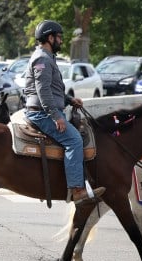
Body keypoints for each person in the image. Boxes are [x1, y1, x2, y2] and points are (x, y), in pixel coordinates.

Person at [23, 20, 105, 205]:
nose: (61, 41)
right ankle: (77, 190)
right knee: (74, 139)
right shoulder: (42, 59)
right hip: (41, 113)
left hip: (45, 110)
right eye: (59, 37)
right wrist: (56, 116)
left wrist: (69, 100)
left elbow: (53, 88)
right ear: (49, 38)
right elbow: (43, 91)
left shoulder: (48, 56)